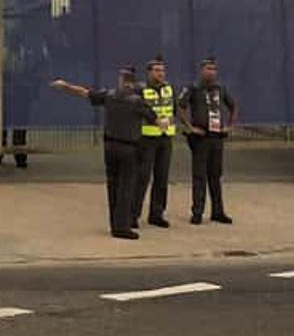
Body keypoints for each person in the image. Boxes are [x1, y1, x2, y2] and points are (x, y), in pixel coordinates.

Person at [52, 67, 156, 239]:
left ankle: (114, 224)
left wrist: (65, 86)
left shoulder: (109, 95)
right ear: (133, 82)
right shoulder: (137, 101)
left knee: (112, 186)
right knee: (126, 188)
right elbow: (153, 118)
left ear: (121, 80)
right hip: (129, 148)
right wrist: (163, 122)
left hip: (110, 147)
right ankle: (122, 227)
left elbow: (85, 93)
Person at [179, 57, 237, 225]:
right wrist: (190, 127)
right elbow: (181, 106)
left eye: (214, 69)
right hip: (200, 138)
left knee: (215, 175)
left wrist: (230, 125)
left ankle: (218, 212)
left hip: (217, 137)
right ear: (202, 70)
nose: (211, 72)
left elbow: (233, 105)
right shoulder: (193, 88)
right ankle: (197, 212)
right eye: (208, 69)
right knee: (199, 176)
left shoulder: (220, 88)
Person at [134, 57, 178, 229]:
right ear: (149, 72)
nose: (161, 73)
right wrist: (155, 120)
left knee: (162, 177)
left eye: (162, 70)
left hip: (165, 138)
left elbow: (173, 108)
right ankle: (133, 214)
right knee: (142, 177)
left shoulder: (168, 88)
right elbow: (138, 109)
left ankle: (157, 214)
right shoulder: (141, 89)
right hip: (147, 138)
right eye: (157, 70)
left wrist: (171, 120)